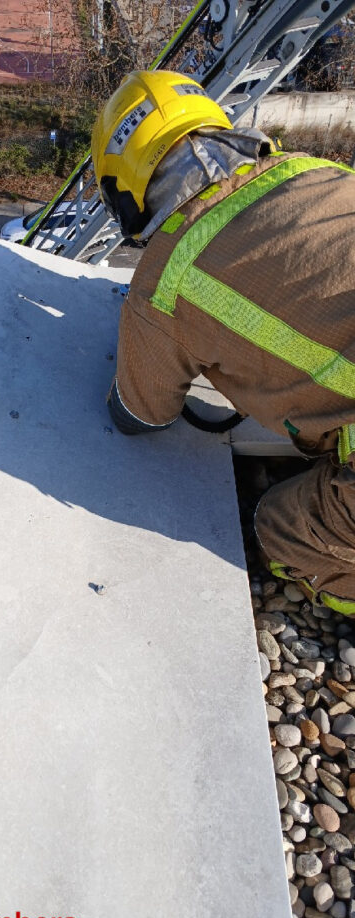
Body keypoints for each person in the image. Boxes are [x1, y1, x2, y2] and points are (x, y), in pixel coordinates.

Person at [92, 69, 355, 614]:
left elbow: (139, 415)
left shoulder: (166, 280)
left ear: (124, 193)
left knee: (280, 530)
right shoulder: (312, 169)